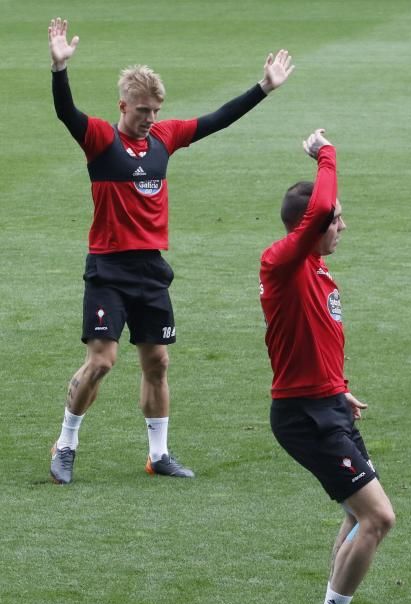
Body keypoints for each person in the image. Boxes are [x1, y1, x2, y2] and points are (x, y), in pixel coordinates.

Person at [47, 17, 294, 484]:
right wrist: (60, 70)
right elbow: (67, 114)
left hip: (151, 269)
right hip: (108, 267)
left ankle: (158, 455)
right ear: (123, 106)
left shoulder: (164, 138)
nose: (151, 119)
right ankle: (66, 443)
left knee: (157, 362)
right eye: (142, 111)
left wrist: (263, 87)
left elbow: (217, 119)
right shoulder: (102, 139)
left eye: (156, 110)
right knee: (101, 361)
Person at [260, 129, 396, 604]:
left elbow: (313, 339)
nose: (342, 225)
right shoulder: (283, 265)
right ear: (310, 225)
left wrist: (339, 387)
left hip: (328, 404)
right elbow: (318, 205)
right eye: (336, 218)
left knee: (355, 511)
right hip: (303, 416)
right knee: (377, 517)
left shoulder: (316, 269)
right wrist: (325, 153)